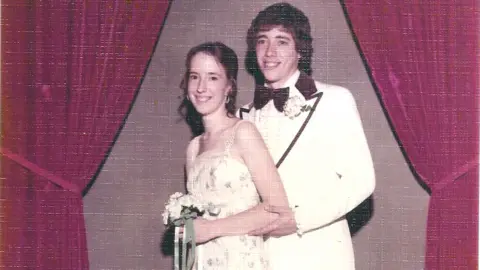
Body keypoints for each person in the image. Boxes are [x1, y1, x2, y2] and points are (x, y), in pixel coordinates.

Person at [234, 2, 376, 269]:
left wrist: (299, 219)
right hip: (256, 258)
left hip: (317, 253)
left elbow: (361, 181)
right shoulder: (242, 117)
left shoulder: (335, 100)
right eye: (262, 41)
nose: (270, 52)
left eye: (282, 41)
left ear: (301, 50)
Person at [178, 41, 289, 269]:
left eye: (212, 77)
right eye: (194, 76)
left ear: (229, 86)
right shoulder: (193, 148)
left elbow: (276, 209)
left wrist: (211, 229)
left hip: (240, 259)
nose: (201, 87)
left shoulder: (243, 132)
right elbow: (194, 226)